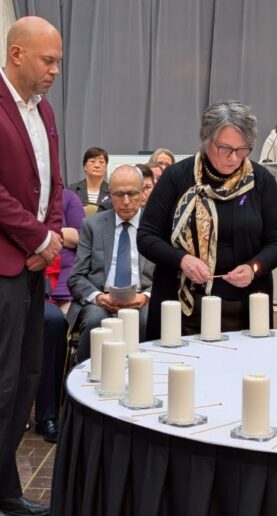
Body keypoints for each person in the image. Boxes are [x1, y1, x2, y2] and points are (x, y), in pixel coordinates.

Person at [137, 100, 277, 339]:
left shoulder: (261, 181)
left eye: (243, 149)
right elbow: (146, 237)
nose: (234, 158)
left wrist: (253, 268)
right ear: (206, 139)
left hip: (244, 307)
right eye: (225, 148)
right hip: (181, 308)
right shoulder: (177, 177)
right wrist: (182, 260)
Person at [0, 16, 63, 516]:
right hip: (4, 266)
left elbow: (54, 183)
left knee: (25, 379)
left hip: (33, 265)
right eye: (49, 60)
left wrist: (53, 238)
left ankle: (5, 489)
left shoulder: (43, 109)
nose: (55, 70)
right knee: (2, 383)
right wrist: (39, 237)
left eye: (58, 62)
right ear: (17, 54)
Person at [67, 165, 154, 362]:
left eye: (132, 194)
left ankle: (140, 374)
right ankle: (87, 375)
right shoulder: (92, 225)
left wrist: (146, 296)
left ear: (142, 192)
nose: (126, 201)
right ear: (110, 194)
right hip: (101, 299)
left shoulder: (154, 226)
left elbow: (167, 275)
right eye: (119, 194)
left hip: (142, 299)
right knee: (97, 320)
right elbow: (77, 277)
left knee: (144, 319)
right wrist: (98, 297)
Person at [35, 189, 84, 443]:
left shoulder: (67, 198)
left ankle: (48, 415)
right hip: (25, 281)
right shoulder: (14, 197)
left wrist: (42, 235)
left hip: (63, 288)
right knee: (49, 319)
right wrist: (48, 236)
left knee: (57, 321)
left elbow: (80, 236)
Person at [68, 146, 110, 211]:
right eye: (92, 161)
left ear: (106, 168)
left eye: (101, 162)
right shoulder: (73, 189)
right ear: (85, 166)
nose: (97, 165)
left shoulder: (112, 191)